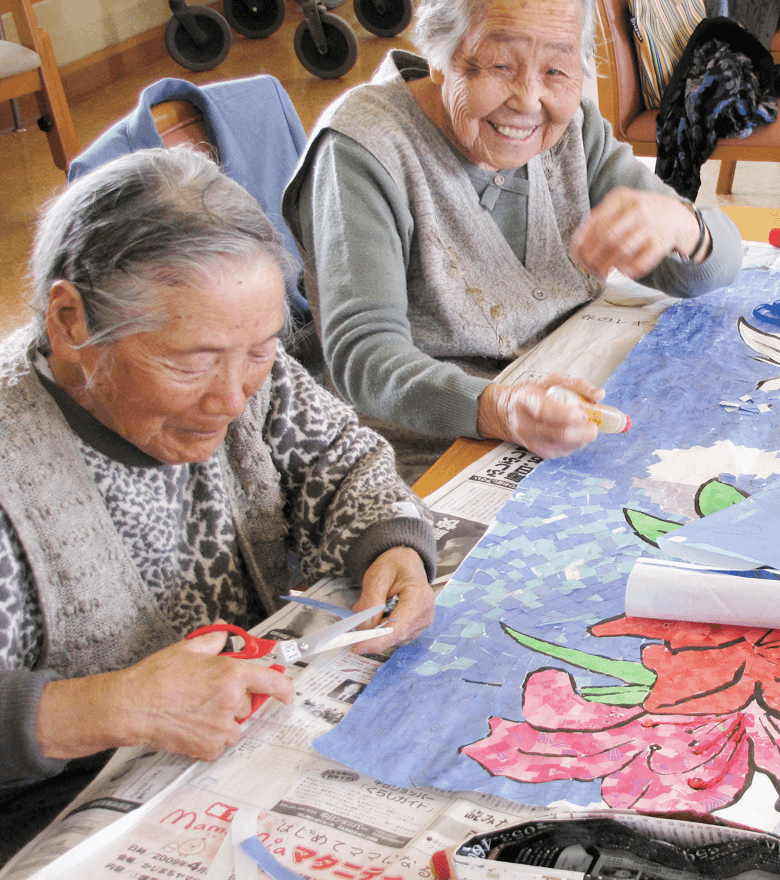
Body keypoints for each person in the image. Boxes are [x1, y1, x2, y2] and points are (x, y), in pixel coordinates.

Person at [0, 147, 436, 853]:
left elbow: (342, 459)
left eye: (261, 350)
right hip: (63, 822)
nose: (233, 397)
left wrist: (390, 542)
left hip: (232, 764)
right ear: (72, 324)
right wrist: (114, 705)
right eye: (189, 362)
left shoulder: (239, 359)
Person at [282, 0, 743, 483]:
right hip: (429, 447)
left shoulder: (572, 130)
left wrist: (682, 224)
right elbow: (363, 357)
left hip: (561, 407)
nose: (527, 100)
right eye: (500, 66)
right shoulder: (363, 148)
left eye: (556, 70)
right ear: (439, 58)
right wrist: (500, 409)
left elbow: (703, 269)